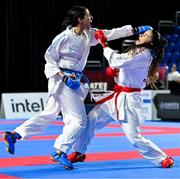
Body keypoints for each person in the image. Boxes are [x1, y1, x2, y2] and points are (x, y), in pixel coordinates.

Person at [2, 5, 152, 170]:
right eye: (88, 15)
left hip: (74, 80)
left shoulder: (89, 33)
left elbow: (112, 33)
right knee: (80, 121)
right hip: (63, 80)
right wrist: (63, 76)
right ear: (80, 19)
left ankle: (15, 135)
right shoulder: (63, 37)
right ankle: (60, 151)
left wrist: (135, 29)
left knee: (49, 114)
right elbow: (49, 59)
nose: (91, 18)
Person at [67, 28, 174, 168]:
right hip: (116, 98)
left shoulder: (144, 53)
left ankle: (162, 158)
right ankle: (79, 152)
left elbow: (116, 60)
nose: (141, 35)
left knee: (134, 137)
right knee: (90, 120)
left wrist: (104, 44)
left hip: (129, 101)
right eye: (143, 33)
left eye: (146, 35)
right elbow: (127, 71)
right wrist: (116, 74)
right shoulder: (138, 52)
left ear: (151, 43)